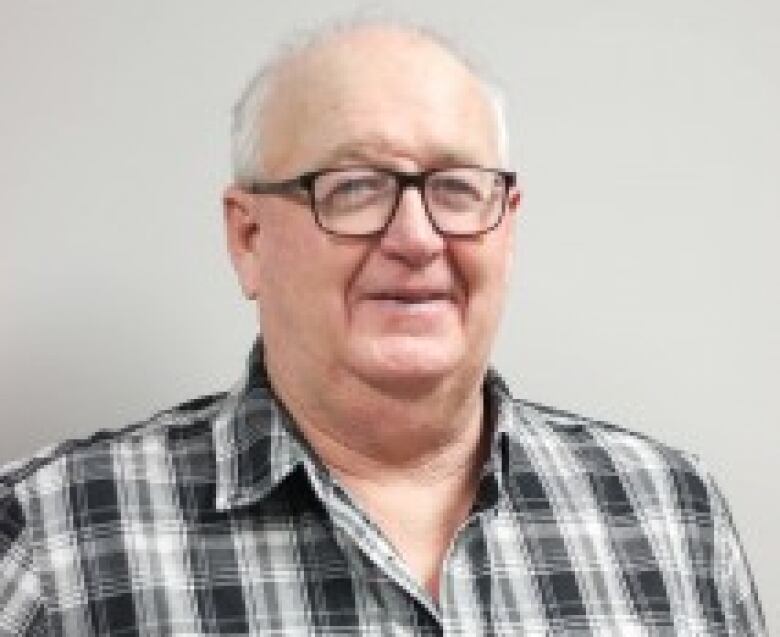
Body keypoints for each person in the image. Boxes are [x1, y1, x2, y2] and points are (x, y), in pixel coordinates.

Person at [0, 21, 766, 636]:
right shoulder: (53, 540)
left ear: (507, 227)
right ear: (249, 237)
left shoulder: (672, 515)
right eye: (355, 186)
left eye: (458, 187)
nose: (417, 236)